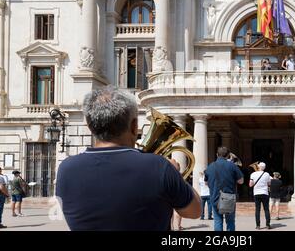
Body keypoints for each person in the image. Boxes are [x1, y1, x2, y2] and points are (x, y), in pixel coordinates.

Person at [56, 86, 201, 231]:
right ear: (134, 126)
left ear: (89, 126)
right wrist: (175, 175)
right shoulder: (160, 166)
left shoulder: (66, 169)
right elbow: (195, 211)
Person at [205, 147, 244, 231]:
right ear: (228, 155)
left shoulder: (210, 166)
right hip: (229, 198)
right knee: (230, 222)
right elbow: (241, 181)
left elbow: (206, 183)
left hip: (215, 197)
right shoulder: (232, 166)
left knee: (218, 221)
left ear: (217, 154)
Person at [249, 162, 272, 230]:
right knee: (266, 209)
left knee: (257, 210)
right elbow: (269, 184)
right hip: (265, 192)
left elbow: (250, 185)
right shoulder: (267, 174)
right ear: (264, 167)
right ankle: (268, 225)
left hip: (256, 193)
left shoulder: (253, 174)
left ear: (258, 167)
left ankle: (258, 225)